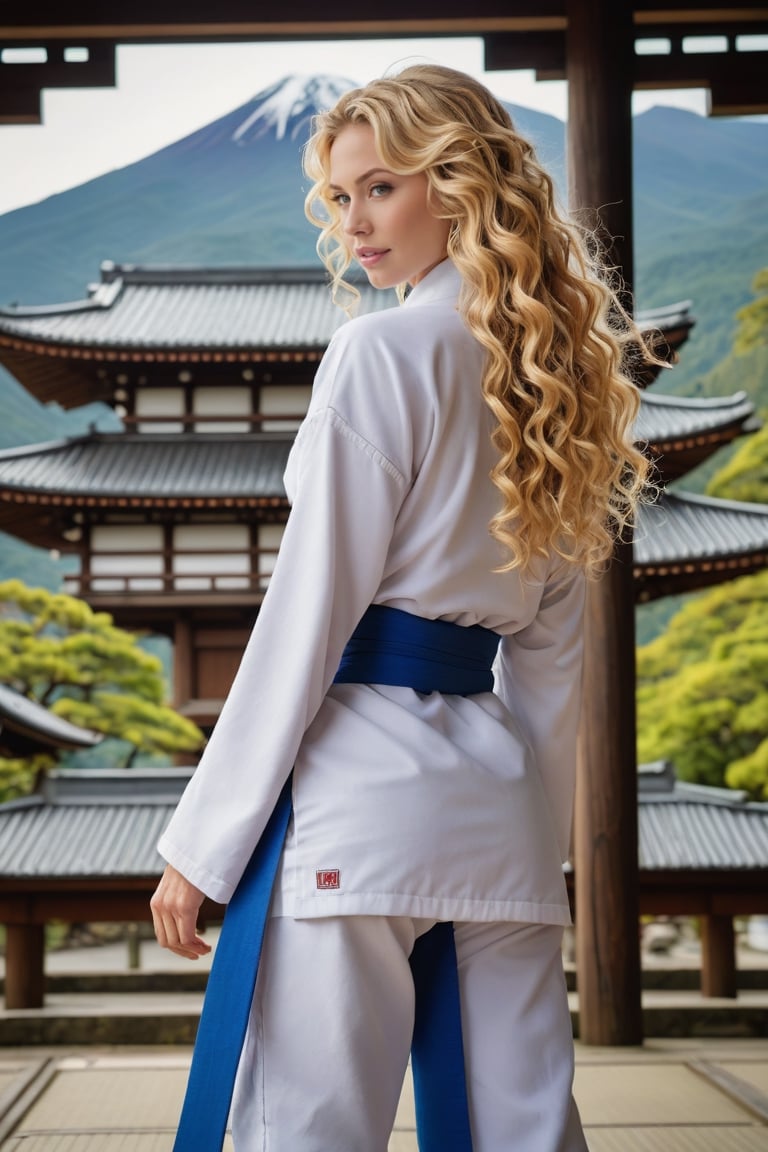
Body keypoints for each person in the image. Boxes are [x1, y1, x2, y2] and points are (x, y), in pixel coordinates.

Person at [151, 64, 650, 1152]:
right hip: (496, 809)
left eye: (381, 188)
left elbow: (308, 616)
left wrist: (206, 839)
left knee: (308, 1130)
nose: (356, 224)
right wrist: (531, 839)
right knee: (524, 1131)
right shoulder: (553, 380)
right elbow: (555, 656)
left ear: (460, 182)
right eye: (341, 198)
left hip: (359, 807)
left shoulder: (378, 352)